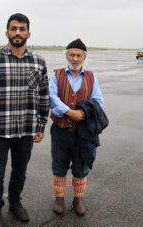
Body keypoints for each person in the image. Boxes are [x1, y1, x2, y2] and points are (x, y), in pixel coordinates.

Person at [0, 13, 49, 227]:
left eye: (22, 29)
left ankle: (15, 202)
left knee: (20, 171)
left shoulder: (38, 62)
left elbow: (44, 96)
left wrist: (41, 125)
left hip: (26, 129)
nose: (18, 33)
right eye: (14, 29)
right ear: (7, 33)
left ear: (28, 33)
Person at [49, 38, 106, 215]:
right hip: (60, 130)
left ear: (84, 57)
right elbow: (52, 98)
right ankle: (59, 198)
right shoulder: (57, 75)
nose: (75, 58)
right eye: (71, 54)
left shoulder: (91, 77)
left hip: (83, 132)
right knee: (59, 165)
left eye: (78, 55)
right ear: (67, 56)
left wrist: (85, 112)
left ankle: (78, 198)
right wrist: (69, 112)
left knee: (81, 166)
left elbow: (99, 101)